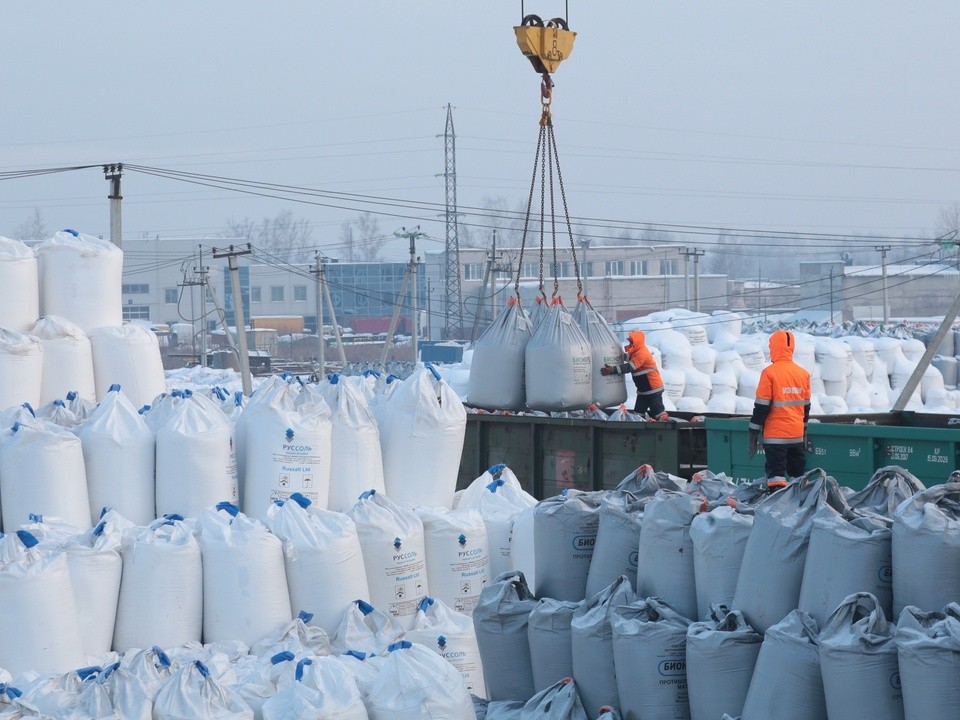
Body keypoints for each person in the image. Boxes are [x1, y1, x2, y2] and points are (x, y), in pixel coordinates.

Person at [748, 329, 811, 484]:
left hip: (776, 437)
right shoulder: (803, 374)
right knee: (798, 478)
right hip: (796, 436)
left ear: (774, 347)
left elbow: (761, 407)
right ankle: (800, 505)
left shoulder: (769, 373)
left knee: (776, 477)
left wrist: (753, 431)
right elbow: (806, 408)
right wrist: (803, 431)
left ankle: (777, 505)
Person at [600, 329, 668, 420]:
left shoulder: (642, 353)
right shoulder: (637, 352)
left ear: (637, 342)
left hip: (653, 390)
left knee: (658, 411)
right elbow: (630, 358)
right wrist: (617, 354)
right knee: (637, 415)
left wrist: (612, 370)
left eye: (631, 342)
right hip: (643, 391)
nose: (630, 344)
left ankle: (663, 423)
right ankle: (642, 426)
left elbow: (629, 367)